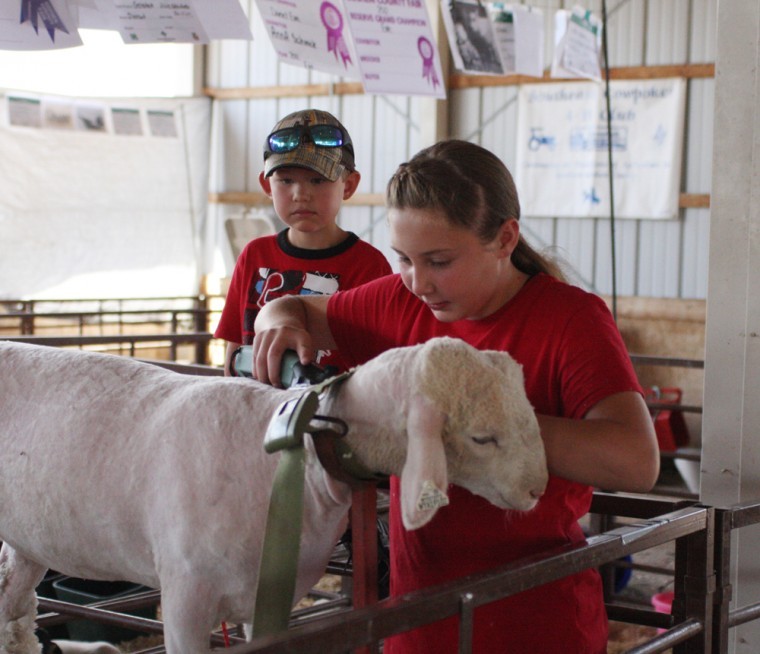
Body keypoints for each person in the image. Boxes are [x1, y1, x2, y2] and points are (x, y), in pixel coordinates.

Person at [251, 139, 660, 654]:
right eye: (403, 258)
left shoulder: (570, 320)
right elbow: (295, 308)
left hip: (532, 624)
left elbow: (635, 460)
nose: (418, 282)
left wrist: (478, 421)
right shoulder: (402, 301)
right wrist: (277, 323)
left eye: (440, 261)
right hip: (419, 621)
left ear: (505, 238)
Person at [215, 108, 391, 375]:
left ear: (348, 185)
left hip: (330, 410)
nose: (301, 194)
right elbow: (235, 347)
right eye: (286, 180)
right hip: (255, 405)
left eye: (318, 180)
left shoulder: (369, 265)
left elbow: (378, 359)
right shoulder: (254, 254)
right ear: (266, 186)